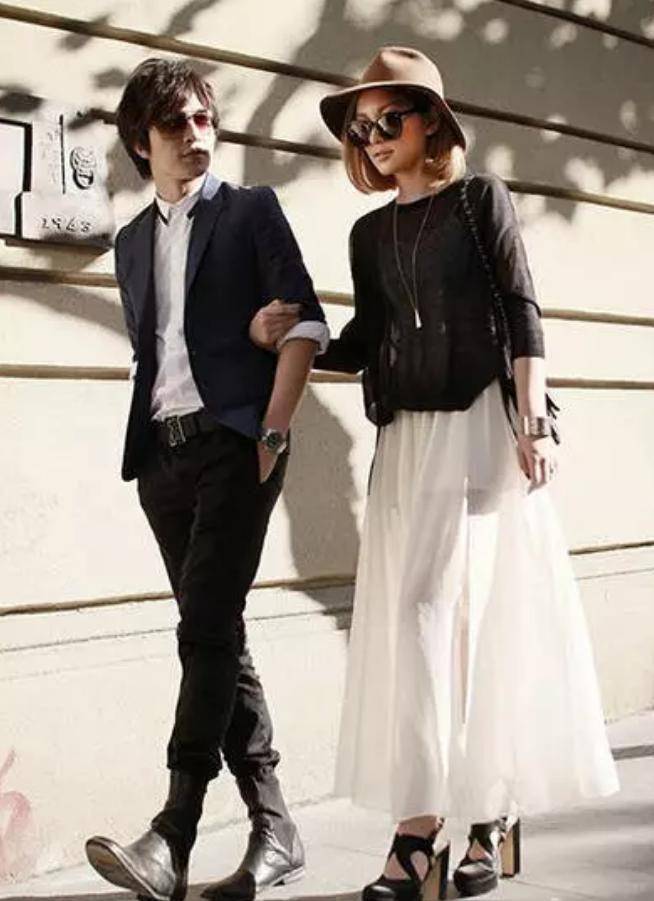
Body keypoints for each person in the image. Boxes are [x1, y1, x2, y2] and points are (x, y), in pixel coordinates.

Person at [256, 45, 619, 900]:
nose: (374, 137)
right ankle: (425, 822)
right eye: (361, 127)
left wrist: (533, 422)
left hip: (480, 430)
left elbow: (522, 310)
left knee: (470, 615)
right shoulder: (368, 232)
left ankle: (479, 814)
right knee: (417, 621)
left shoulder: (480, 199)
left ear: (433, 122)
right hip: (407, 442)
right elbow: (365, 339)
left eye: (390, 118)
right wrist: (291, 335)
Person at [84, 58, 329, 901]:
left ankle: (174, 829)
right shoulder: (129, 243)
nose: (196, 135)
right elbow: (159, 350)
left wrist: (272, 430)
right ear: (140, 142)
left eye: (203, 119)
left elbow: (306, 321)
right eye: (176, 124)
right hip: (162, 459)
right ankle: (275, 825)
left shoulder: (252, 210)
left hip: (236, 446)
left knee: (206, 631)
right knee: (216, 630)